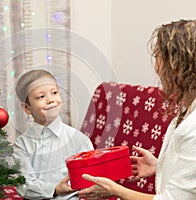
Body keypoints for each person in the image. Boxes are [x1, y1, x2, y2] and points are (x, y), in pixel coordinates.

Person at [77, 19, 196, 200]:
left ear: (179, 65)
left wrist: (114, 190)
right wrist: (160, 167)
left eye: (158, 57)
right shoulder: (188, 107)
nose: (156, 67)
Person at [13, 69, 94, 199]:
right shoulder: (22, 144)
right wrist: (55, 189)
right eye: (41, 96)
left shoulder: (79, 140)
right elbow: (23, 184)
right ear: (27, 108)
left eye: (54, 93)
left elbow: (92, 177)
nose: (50, 100)